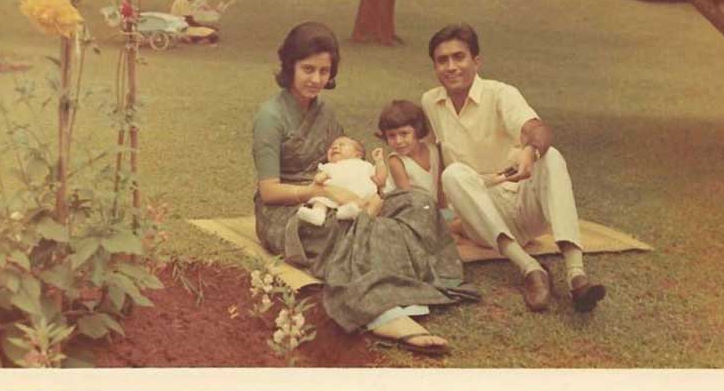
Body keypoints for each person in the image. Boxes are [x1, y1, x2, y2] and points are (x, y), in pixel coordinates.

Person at [252, 22, 478, 356]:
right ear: (289, 67)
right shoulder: (270, 117)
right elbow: (269, 191)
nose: (316, 79)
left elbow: (344, 162)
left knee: (416, 202)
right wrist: (323, 194)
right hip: (291, 210)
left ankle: (422, 279)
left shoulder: (324, 111)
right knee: (354, 226)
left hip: (341, 194)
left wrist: (371, 191)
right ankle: (385, 314)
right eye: (308, 69)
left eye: (324, 70)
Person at [421, 23, 606, 313]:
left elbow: (538, 129)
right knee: (453, 174)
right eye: (442, 60)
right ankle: (530, 269)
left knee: (552, 155)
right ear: (435, 67)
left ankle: (576, 274)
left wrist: (531, 150)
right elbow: (432, 155)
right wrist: (436, 213)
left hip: (522, 207)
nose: (451, 66)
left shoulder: (501, 94)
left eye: (459, 57)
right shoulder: (431, 101)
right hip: (480, 218)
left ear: (476, 61)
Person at [297, 136, 387, 226]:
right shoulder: (329, 166)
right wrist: (320, 178)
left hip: (363, 195)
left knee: (376, 200)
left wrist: (379, 161)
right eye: (331, 147)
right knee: (320, 200)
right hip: (335, 195)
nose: (335, 147)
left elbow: (380, 180)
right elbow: (319, 178)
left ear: (358, 155)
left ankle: (354, 214)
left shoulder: (365, 165)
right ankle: (317, 214)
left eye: (341, 145)